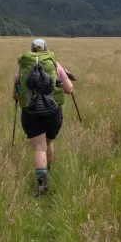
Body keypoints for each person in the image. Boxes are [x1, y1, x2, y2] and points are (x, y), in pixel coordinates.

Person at [13, 38, 73, 196]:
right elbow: (68, 89)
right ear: (46, 49)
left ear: (31, 50)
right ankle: (49, 173)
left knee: (39, 149)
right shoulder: (55, 64)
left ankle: (42, 187)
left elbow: (15, 93)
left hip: (31, 113)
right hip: (52, 111)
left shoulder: (23, 66)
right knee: (48, 143)